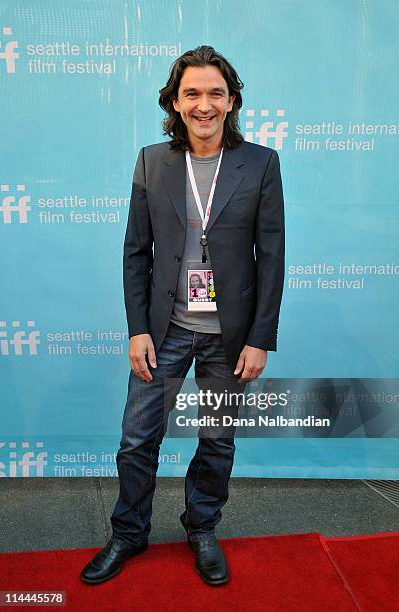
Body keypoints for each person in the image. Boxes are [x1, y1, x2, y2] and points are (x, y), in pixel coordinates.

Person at [81, 44, 285, 587]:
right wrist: (138, 329)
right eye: (191, 93)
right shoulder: (153, 161)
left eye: (215, 93)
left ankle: (202, 527)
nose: (204, 104)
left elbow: (273, 254)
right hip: (165, 329)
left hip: (231, 336)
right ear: (174, 101)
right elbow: (134, 251)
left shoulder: (261, 163)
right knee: (137, 438)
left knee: (216, 440)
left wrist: (260, 336)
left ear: (232, 100)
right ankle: (128, 532)